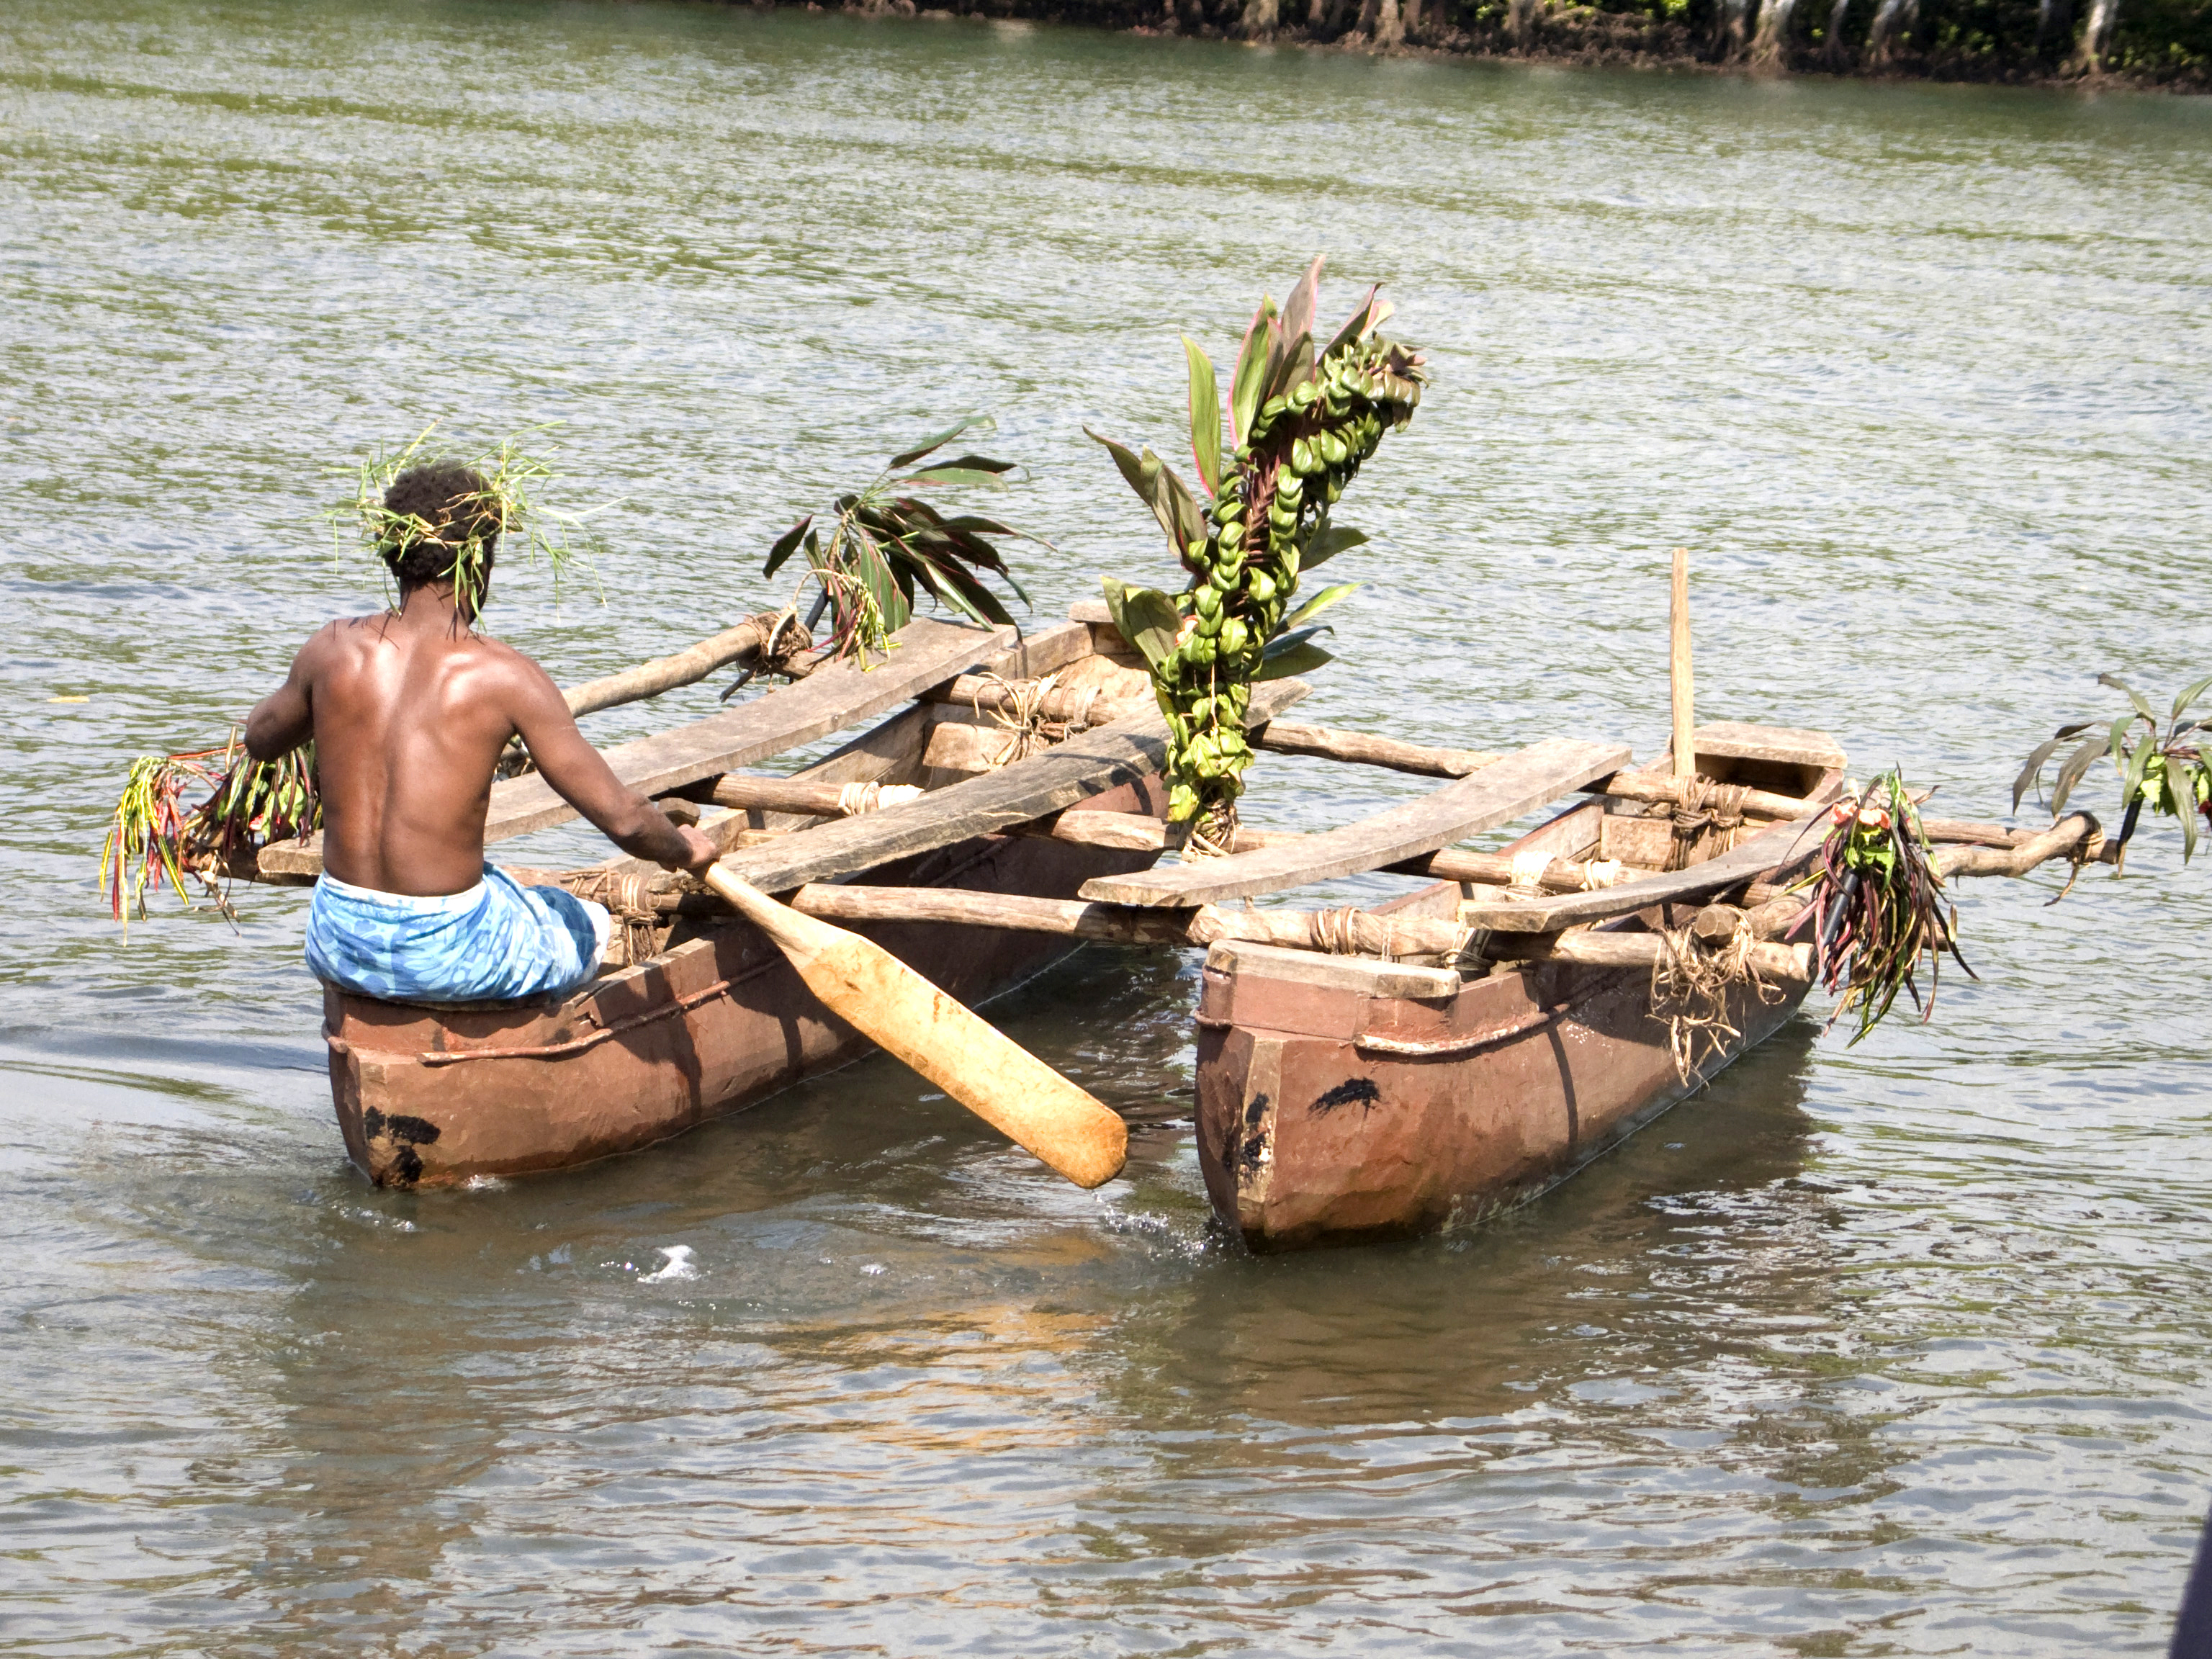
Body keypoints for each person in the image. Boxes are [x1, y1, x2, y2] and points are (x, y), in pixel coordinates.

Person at [243, 461, 717, 1003]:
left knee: (504, 890)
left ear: (393, 556)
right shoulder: (505, 676)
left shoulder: (331, 648)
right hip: (445, 950)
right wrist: (684, 850)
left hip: (338, 937)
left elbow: (261, 739)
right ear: (480, 564)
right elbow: (628, 821)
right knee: (583, 921)